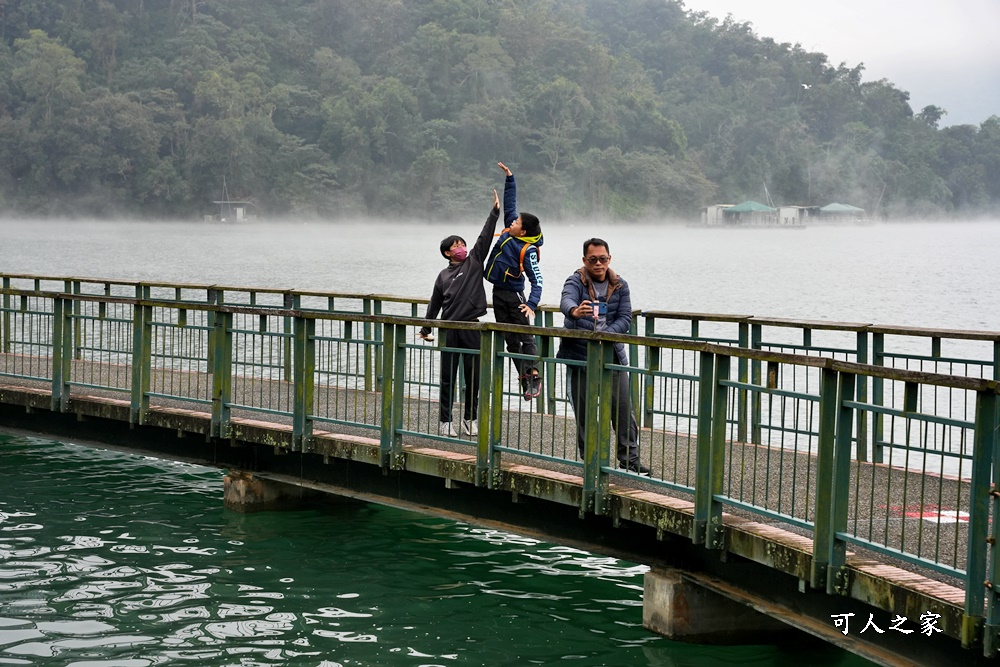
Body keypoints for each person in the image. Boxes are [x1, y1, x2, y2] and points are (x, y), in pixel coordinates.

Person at [555, 238, 650, 475]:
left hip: (612, 355)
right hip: (581, 355)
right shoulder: (575, 280)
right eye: (593, 259)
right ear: (584, 260)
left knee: (623, 408)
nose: (598, 264)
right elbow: (566, 300)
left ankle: (629, 459)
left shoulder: (620, 285)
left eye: (603, 259)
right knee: (585, 410)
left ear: (610, 258)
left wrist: (607, 334)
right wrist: (574, 311)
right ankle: (591, 459)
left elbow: (625, 319)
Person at [418, 189, 501, 437]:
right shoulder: (442, 276)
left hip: (472, 327)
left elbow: (484, 237)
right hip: (449, 329)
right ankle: (445, 422)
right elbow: (434, 305)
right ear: (447, 253)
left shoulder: (474, 261)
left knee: (473, 378)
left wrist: (495, 212)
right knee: (447, 378)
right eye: (456, 247)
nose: (461, 248)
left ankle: (470, 419)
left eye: (462, 244)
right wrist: (426, 328)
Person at [484, 161, 543, 401]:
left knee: (525, 337)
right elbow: (511, 203)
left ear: (524, 231)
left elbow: (537, 280)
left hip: (516, 297)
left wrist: (531, 303)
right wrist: (510, 178)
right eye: (514, 220)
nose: (513, 222)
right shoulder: (511, 231)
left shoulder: (527, 250)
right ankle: (524, 379)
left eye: (517, 223)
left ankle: (535, 376)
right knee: (510, 341)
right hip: (498, 293)